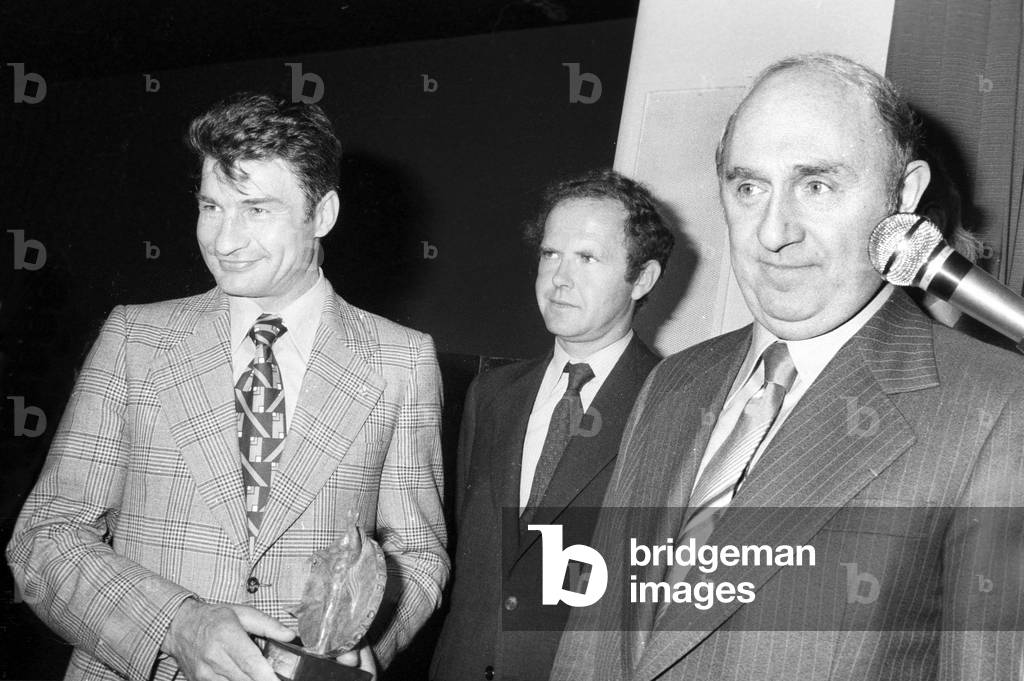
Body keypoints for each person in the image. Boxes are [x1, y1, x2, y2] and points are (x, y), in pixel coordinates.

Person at [551, 54, 1023, 681]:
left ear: (904, 194)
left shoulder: (997, 409)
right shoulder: (673, 382)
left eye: (816, 185)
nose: (772, 232)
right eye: (749, 188)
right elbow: (594, 640)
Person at [7, 92, 448, 681]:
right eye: (211, 207)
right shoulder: (137, 339)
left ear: (323, 214)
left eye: (256, 210)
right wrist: (174, 624)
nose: (223, 240)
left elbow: (417, 555)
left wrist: (365, 644)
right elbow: (44, 537)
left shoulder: (401, 360)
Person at [430, 169, 675, 681]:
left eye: (586, 258)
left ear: (642, 279)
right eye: (550, 254)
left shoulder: (675, 406)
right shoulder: (491, 395)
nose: (559, 278)